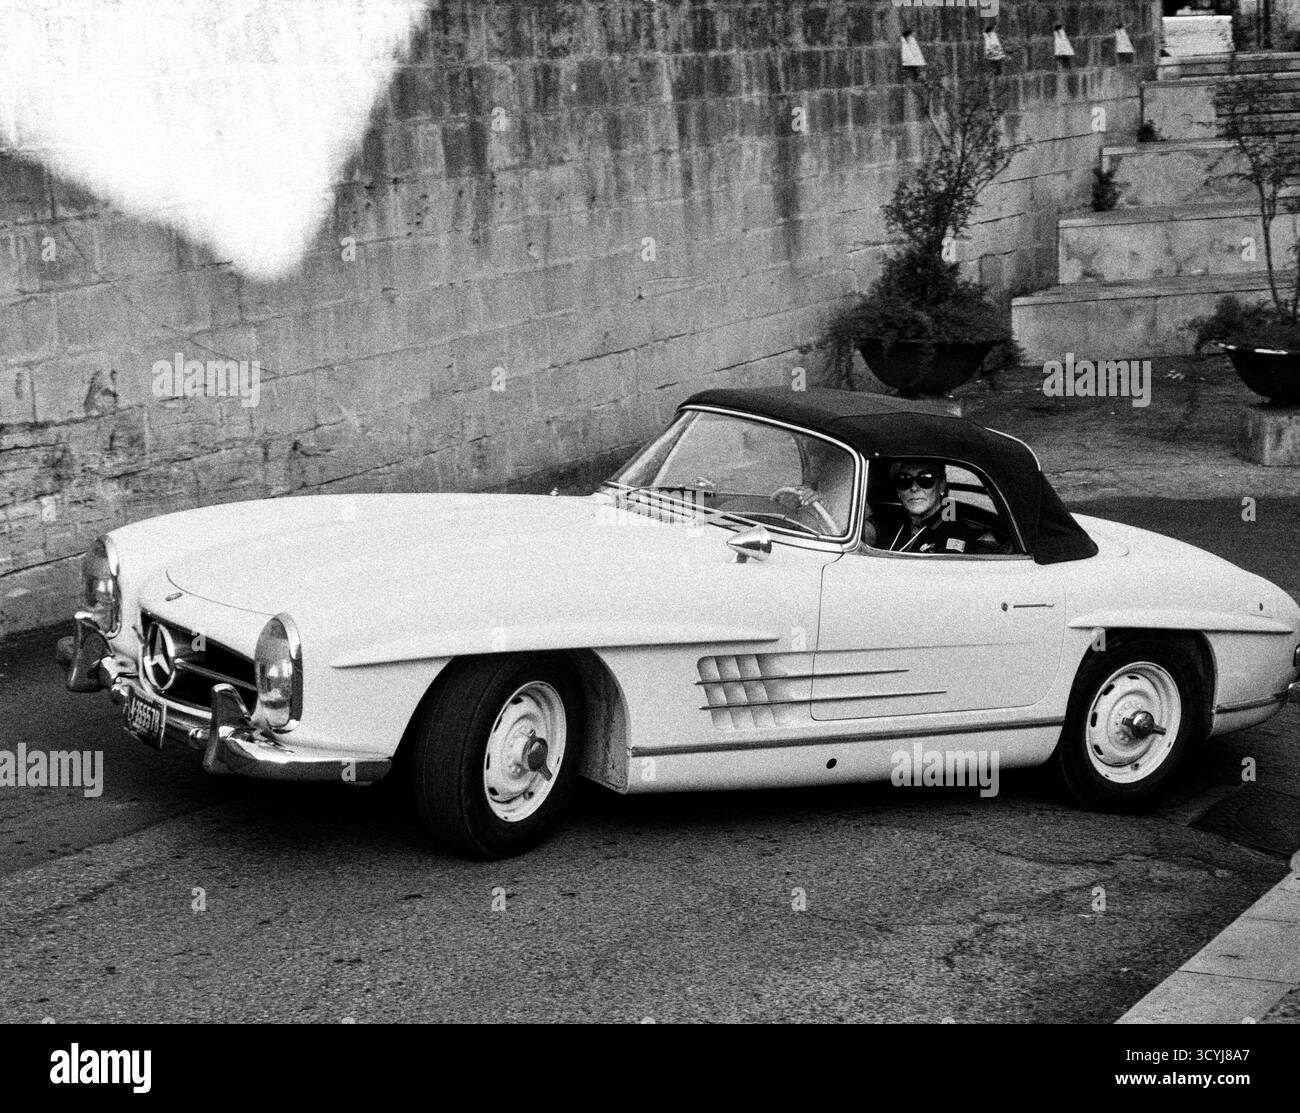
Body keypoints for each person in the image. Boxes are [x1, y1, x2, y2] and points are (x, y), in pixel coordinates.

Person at [883, 458, 1002, 554]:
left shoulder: (954, 532)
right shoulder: (890, 524)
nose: (914, 488)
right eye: (904, 480)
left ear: (941, 485)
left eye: (925, 479)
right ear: (898, 490)